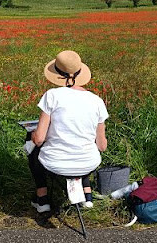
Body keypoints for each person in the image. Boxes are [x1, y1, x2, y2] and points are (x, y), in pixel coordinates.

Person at [28, 50, 108, 213]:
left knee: (32, 147)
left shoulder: (52, 96)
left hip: (56, 163)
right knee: (82, 144)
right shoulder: (97, 101)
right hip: (88, 163)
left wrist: (33, 134)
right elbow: (102, 146)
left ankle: (42, 199)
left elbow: (39, 139)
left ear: (57, 74)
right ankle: (87, 195)